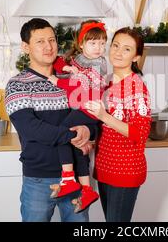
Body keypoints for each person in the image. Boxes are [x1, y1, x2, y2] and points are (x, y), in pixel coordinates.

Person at [5, 18, 98, 222]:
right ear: (25, 47)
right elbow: (32, 129)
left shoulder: (72, 82)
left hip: (77, 179)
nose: (48, 47)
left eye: (52, 40)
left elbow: (93, 115)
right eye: (40, 41)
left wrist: (88, 131)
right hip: (39, 179)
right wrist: (74, 135)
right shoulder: (17, 85)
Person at [84, 27, 151, 222]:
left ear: (136, 57)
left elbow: (140, 134)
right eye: (115, 45)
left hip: (125, 171)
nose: (118, 52)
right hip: (105, 168)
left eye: (127, 49)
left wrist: (104, 116)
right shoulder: (106, 82)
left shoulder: (137, 87)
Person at [46, 20, 107, 213]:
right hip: (80, 108)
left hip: (88, 109)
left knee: (62, 134)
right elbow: (57, 60)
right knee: (77, 147)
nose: (99, 48)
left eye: (102, 43)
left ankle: (68, 178)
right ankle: (87, 189)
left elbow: (79, 86)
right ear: (81, 44)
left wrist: (58, 81)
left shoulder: (98, 65)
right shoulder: (80, 59)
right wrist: (66, 68)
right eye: (94, 43)